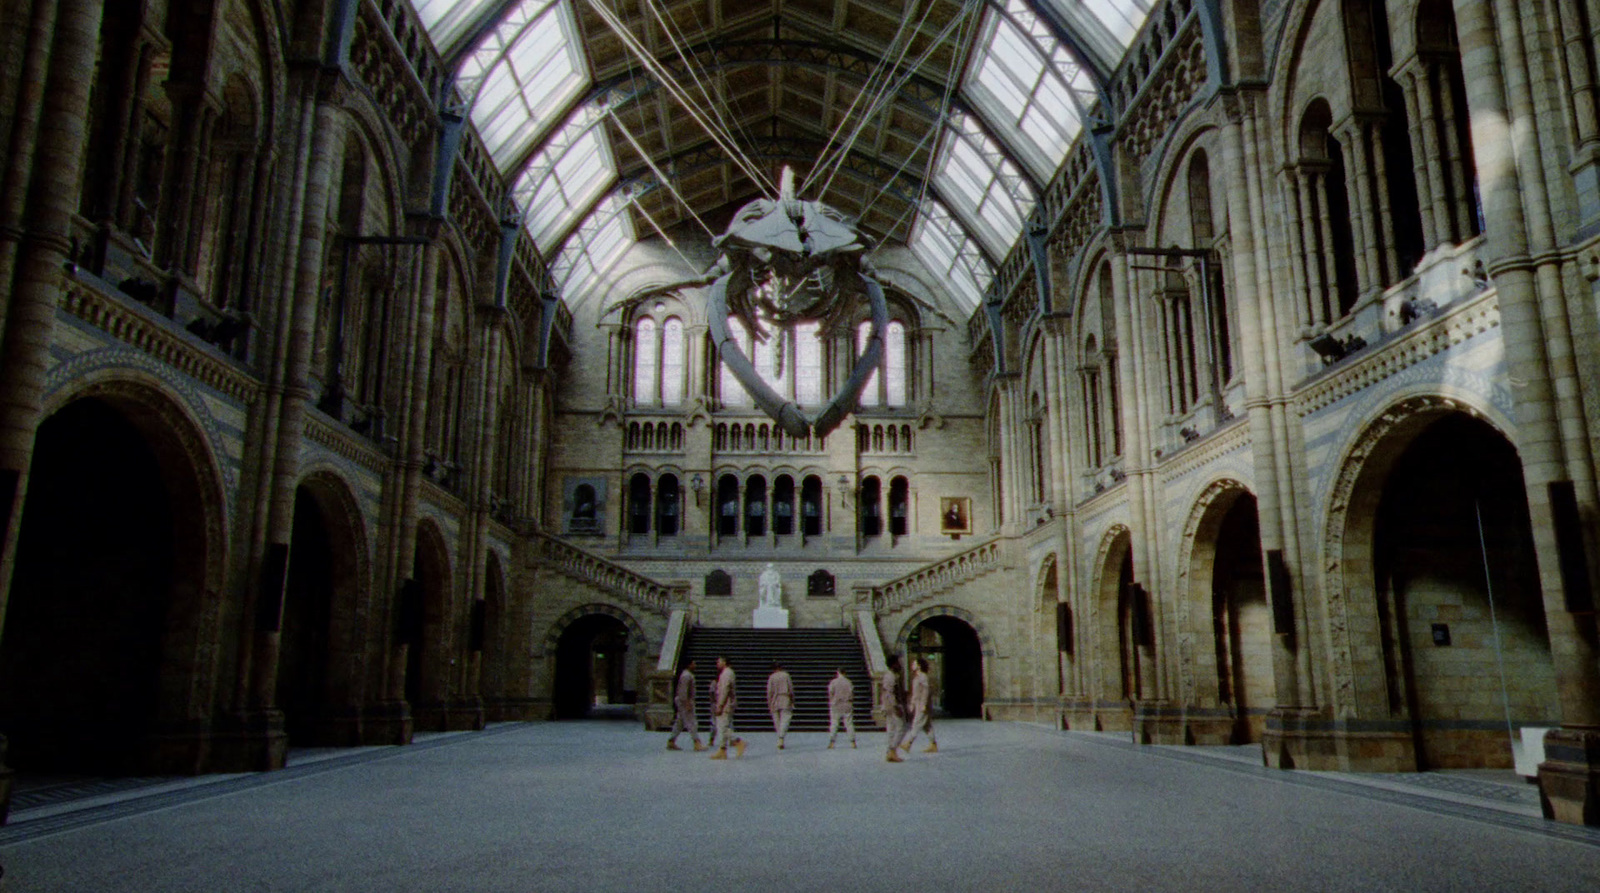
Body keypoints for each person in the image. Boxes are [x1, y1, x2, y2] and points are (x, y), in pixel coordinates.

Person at [666, 659, 706, 751]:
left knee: (680, 722)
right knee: (691, 721)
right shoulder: (686, 676)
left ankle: (671, 741)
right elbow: (683, 691)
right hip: (684, 701)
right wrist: (687, 703)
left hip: (683, 701)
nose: (695, 665)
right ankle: (697, 742)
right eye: (693, 663)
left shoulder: (686, 675)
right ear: (689, 665)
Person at [709, 656, 745, 759]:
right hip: (726, 703)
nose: (717, 664)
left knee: (723, 727)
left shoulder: (726, 673)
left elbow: (724, 690)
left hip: (725, 704)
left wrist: (720, 705)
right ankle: (722, 749)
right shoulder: (726, 673)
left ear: (724, 662)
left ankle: (738, 741)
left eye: (719, 661)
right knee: (722, 726)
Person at [900, 656, 937, 754]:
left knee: (916, 723)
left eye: (914, 664)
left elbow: (926, 691)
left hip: (922, 705)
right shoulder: (917, 677)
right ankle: (933, 744)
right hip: (918, 704)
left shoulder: (923, 677)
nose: (912, 665)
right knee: (927, 726)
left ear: (919, 666)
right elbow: (915, 693)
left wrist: (924, 704)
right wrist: (912, 703)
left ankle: (908, 743)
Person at [879, 655, 906, 763]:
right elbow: (890, 693)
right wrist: (896, 706)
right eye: (898, 663)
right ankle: (892, 750)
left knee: (891, 729)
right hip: (892, 706)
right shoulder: (891, 676)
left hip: (887, 706)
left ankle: (890, 752)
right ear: (893, 664)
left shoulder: (890, 675)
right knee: (901, 728)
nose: (899, 665)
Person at [766, 661, 794, 749]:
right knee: (785, 719)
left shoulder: (772, 677)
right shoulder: (786, 675)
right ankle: (781, 737)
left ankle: (779, 737)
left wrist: (769, 702)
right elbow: (790, 689)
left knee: (777, 721)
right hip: (785, 697)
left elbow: (769, 691)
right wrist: (792, 699)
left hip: (775, 699)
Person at [826, 668, 856, 749]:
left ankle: (832, 742)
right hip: (847, 704)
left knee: (834, 723)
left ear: (838, 673)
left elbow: (830, 693)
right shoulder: (849, 682)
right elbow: (852, 694)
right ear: (845, 673)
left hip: (836, 705)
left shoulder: (834, 682)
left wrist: (832, 701)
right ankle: (853, 742)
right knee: (849, 724)